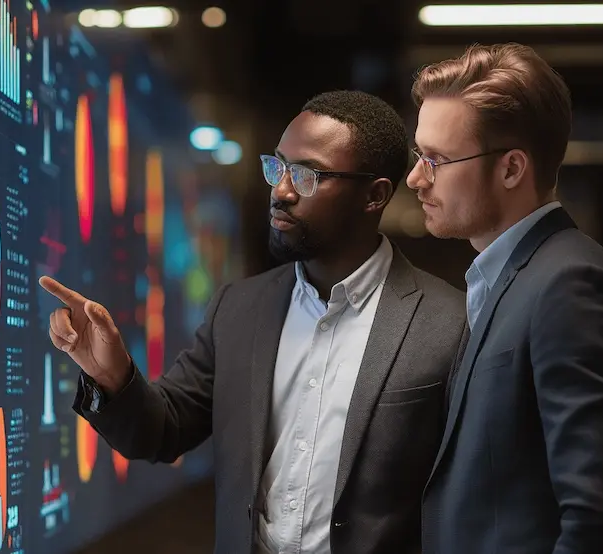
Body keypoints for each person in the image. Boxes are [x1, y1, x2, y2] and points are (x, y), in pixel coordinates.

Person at [40, 90, 466, 554]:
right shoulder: (240, 309)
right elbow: (160, 433)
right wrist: (111, 374)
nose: (281, 191)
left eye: (306, 176)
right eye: (277, 166)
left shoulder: (448, 323)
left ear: (375, 195)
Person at [407, 43, 603, 554]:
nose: (416, 178)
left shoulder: (573, 287)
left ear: (511, 169)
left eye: (437, 160)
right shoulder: (507, 281)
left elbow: (602, 523)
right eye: (418, 156)